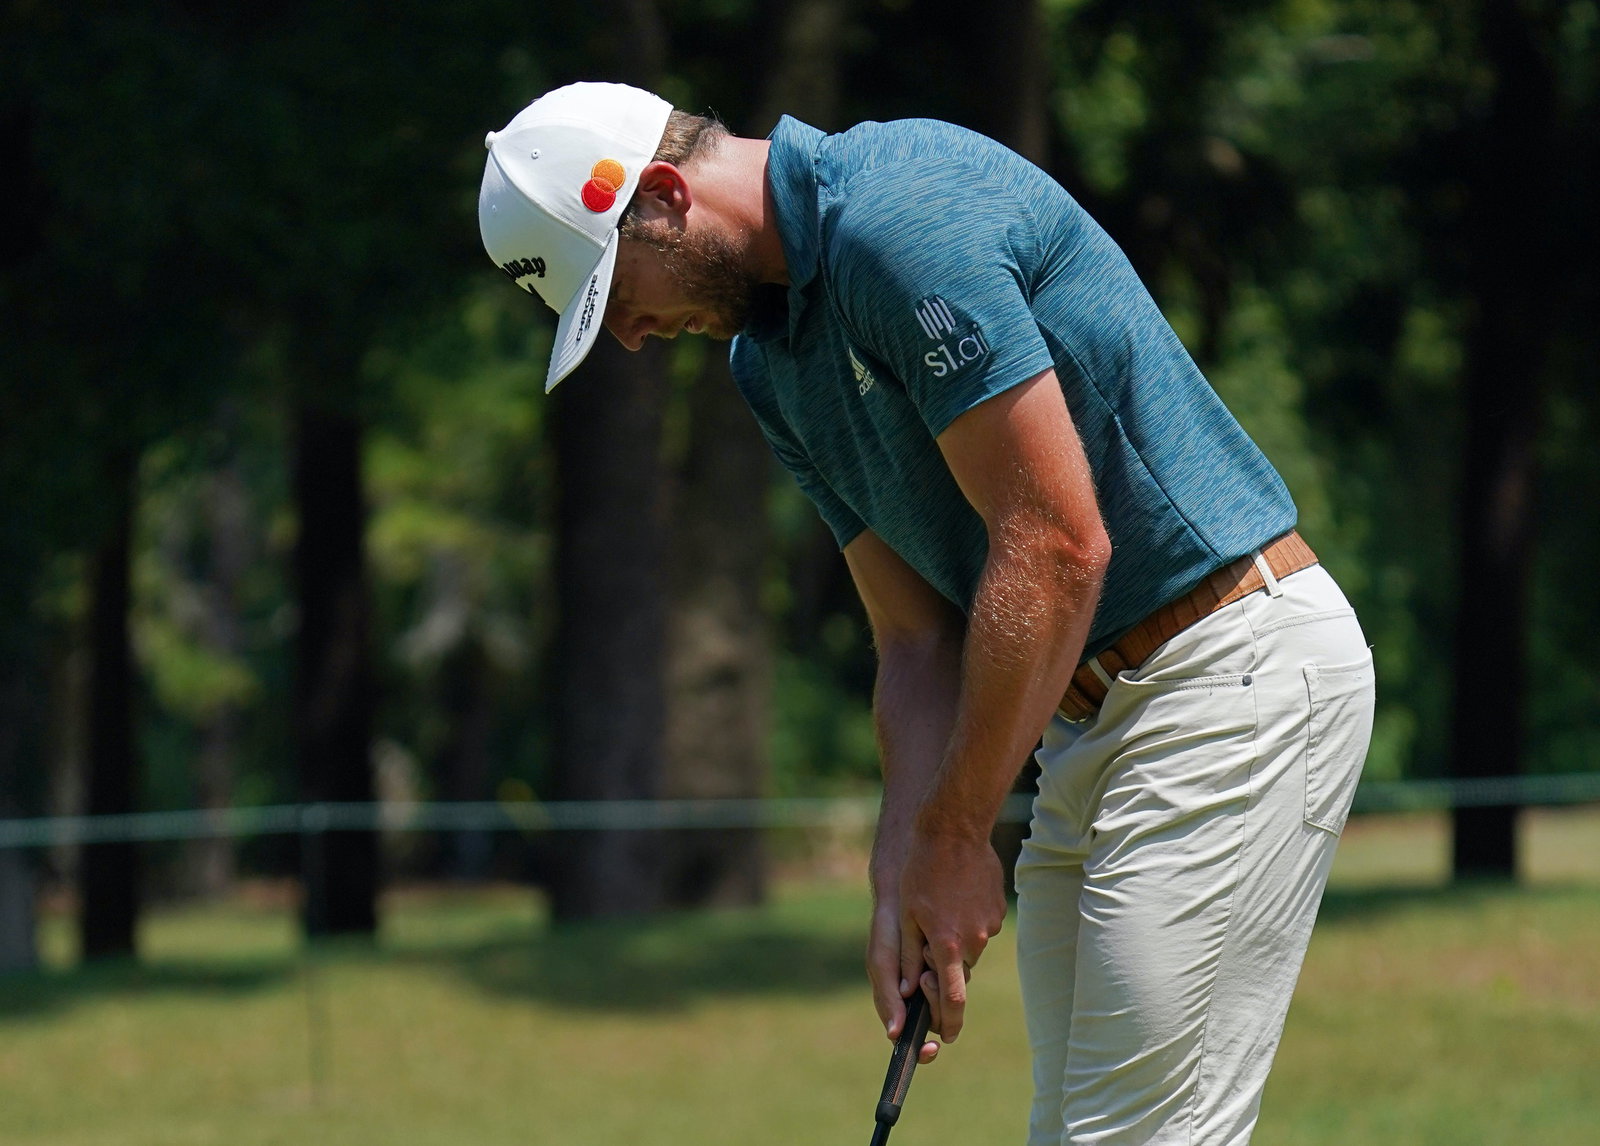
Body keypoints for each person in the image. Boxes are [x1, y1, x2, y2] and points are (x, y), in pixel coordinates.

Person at [479, 81, 1376, 1145]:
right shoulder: (767, 365)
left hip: (1228, 673)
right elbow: (915, 639)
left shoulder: (898, 214)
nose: (625, 335)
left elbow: (1053, 543)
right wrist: (901, 864)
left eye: (612, 288)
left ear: (666, 194)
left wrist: (957, 834)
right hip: (1092, 724)